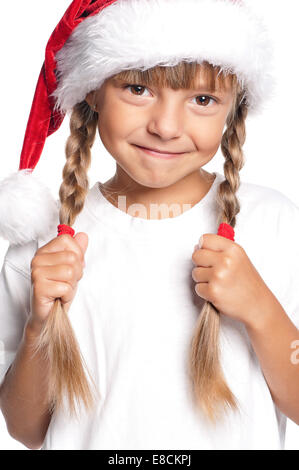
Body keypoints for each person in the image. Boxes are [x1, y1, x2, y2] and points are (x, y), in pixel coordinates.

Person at [0, 0, 298, 450]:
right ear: (93, 91)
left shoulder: (273, 222)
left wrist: (260, 310)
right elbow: (25, 429)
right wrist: (40, 327)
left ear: (231, 111)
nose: (166, 126)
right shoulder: (44, 241)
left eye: (202, 99)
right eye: (138, 89)